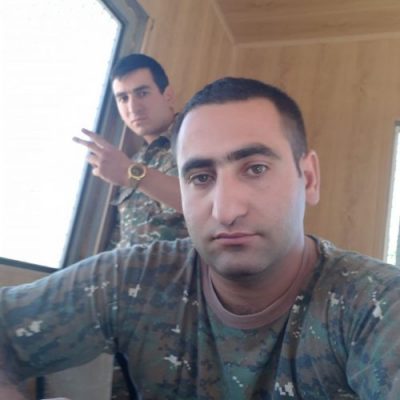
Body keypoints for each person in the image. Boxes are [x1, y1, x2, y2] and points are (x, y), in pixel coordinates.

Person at [1, 77, 400, 399]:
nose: (226, 210)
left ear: (308, 178)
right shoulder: (134, 278)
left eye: (256, 169)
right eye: (200, 177)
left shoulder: (375, 304)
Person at [73, 53, 188, 247]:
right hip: (127, 265)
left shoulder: (195, 138)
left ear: (167, 95)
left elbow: (209, 203)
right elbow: (121, 239)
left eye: (142, 93)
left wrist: (131, 174)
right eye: (123, 98)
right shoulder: (134, 160)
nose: (133, 107)